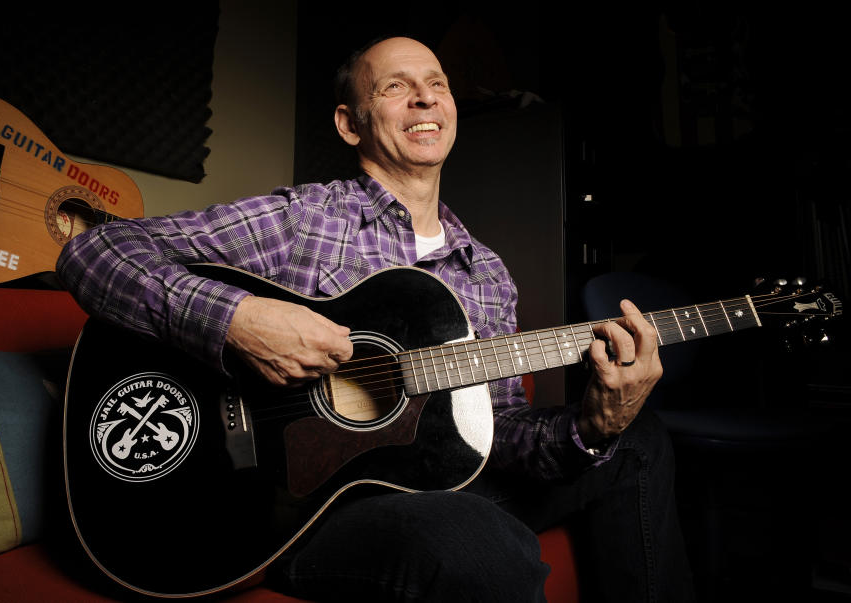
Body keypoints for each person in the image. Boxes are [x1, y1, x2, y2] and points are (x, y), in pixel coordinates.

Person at [57, 36, 694, 602]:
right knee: (476, 541)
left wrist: (594, 423)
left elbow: (500, 435)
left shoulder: (487, 273)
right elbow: (94, 249)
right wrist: (238, 321)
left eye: (437, 85)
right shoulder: (305, 220)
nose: (425, 100)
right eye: (397, 87)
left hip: (435, 485)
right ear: (349, 123)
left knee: (639, 440)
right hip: (300, 509)